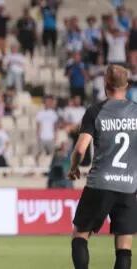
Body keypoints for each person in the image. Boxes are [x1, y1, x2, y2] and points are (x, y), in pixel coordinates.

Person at [68, 65, 137, 269]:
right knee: (124, 245)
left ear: (105, 84)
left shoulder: (95, 111)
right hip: (128, 186)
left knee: (80, 235)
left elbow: (81, 149)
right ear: (127, 85)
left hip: (100, 183)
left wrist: (74, 166)